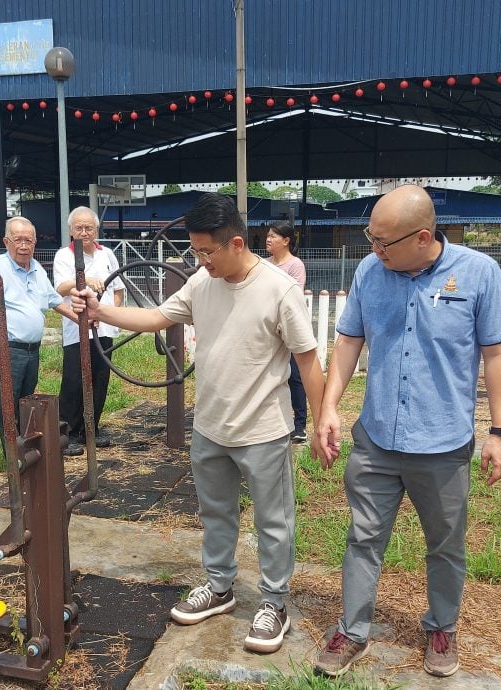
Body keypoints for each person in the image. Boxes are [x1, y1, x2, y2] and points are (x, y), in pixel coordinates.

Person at [70, 193, 327, 654]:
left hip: (264, 430)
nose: (200, 260)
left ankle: (274, 603)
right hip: (209, 426)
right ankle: (220, 586)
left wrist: (325, 416)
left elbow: (307, 361)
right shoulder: (201, 284)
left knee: (273, 522)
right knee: (215, 515)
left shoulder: (277, 289)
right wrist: (101, 311)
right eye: (195, 252)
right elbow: (154, 317)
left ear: (235, 243)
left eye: (207, 252)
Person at [313, 185, 501, 678]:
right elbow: (348, 341)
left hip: (444, 445)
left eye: (384, 242)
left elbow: (497, 354)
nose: (374, 250)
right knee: (363, 537)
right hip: (377, 438)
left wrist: (500, 432)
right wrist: (328, 407)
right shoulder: (370, 272)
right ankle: (353, 630)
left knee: (446, 543)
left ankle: (442, 626)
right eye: (371, 238)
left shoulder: (478, 273)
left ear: (423, 236)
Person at [0, 216, 76, 450]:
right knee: (7, 404)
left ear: (35, 242)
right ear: (6, 241)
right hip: (7, 347)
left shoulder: (37, 268)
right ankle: (12, 458)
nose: (23, 246)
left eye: (28, 240)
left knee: (26, 401)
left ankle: (25, 450)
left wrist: (82, 320)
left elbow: (54, 301)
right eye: (17, 240)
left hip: (32, 350)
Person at [52, 206, 124, 456]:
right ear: (71, 230)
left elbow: (117, 290)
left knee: (100, 378)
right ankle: (67, 433)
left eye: (89, 227)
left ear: (97, 229)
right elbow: (60, 288)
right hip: (77, 329)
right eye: (79, 228)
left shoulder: (107, 254)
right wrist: (83, 279)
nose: (84, 232)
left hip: (105, 330)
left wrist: (110, 314)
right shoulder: (64, 256)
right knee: (74, 380)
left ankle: (90, 429)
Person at [265, 221, 309, 443]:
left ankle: (300, 425)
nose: (268, 239)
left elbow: (294, 297)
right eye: (268, 235)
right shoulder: (264, 264)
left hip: (288, 328)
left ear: (286, 241)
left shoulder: (295, 265)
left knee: (294, 377)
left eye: (273, 236)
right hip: (268, 330)